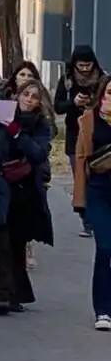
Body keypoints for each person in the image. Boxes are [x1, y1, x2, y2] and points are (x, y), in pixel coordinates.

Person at [0, 79, 54, 315]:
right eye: (26, 95)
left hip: (25, 192)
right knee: (1, 243)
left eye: (34, 98)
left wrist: (18, 135)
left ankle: (14, 294)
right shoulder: (2, 116)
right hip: (1, 188)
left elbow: (38, 153)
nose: (29, 100)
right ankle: (1, 294)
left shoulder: (41, 125)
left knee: (17, 244)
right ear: (18, 96)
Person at [72, 74, 111, 330]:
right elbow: (81, 160)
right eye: (109, 93)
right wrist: (80, 199)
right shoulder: (89, 121)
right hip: (99, 192)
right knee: (105, 247)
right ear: (102, 95)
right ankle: (103, 311)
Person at [57, 46, 103, 237]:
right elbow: (57, 107)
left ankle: (98, 217)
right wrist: (73, 103)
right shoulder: (67, 81)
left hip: (98, 133)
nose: (85, 69)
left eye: (88, 65)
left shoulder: (102, 79)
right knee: (80, 178)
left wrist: (94, 102)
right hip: (74, 134)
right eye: (81, 65)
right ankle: (88, 221)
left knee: (97, 177)